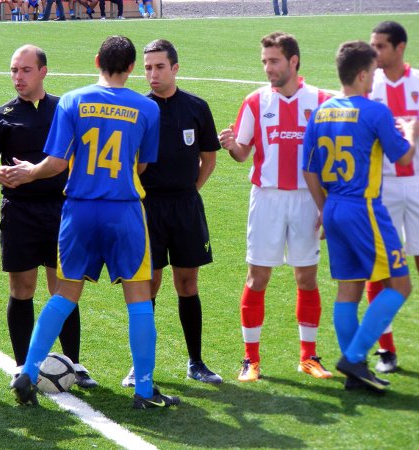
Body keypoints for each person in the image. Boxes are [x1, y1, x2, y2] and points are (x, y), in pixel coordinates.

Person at [9, 35, 179, 410]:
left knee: (64, 294)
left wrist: (29, 172)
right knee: (139, 299)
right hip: (124, 210)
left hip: (79, 210)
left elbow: (56, 163)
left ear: (97, 60)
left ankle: (28, 371)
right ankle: (144, 390)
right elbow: (142, 165)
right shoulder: (147, 109)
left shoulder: (72, 100)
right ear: (132, 67)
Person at [0, 45, 97, 389]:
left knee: (64, 288)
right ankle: (22, 367)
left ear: (43, 71)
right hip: (19, 213)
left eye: (26, 70)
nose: (18, 77)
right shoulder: (0, 117)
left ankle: (73, 363)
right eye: (14, 70)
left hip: (62, 211)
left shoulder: (64, 110)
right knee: (22, 289)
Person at [302, 40, 417, 392]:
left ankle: (356, 373)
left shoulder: (321, 112)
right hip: (364, 208)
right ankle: (354, 357)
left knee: (348, 289)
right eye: (373, 72)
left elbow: (309, 170)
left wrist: (324, 208)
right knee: (401, 285)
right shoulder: (375, 111)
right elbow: (403, 157)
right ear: (363, 74)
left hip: (334, 207)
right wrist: (411, 133)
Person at [218, 32, 333, 382]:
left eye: (274, 61)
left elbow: (331, 159)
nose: (267, 68)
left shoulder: (322, 101)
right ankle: (250, 360)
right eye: (264, 61)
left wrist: (327, 206)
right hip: (266, 198)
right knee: (258, 277)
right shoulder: (255, 101)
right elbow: (243, 153)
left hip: (307, 199)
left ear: (293, 61)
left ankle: (308, 357)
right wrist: (231, 146)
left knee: (306, 277)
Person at [121, 39, 222, 388]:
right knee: (148, 285)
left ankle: (196, 362)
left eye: (159, 67)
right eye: (148, 68)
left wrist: (191, 191)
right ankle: (140, 366)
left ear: (175, 68)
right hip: (148, 209)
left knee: (187, 283)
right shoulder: (138, 110)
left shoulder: (196, 107)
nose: (153, 74)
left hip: (185, 208)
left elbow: (209, 158)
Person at [366, 21, 419, 374]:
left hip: (417, 185)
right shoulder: (370, 86)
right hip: (382, 189)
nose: (374, 53)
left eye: (380, 46)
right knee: (379, 269)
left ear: (400, 47)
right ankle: (386, 348)